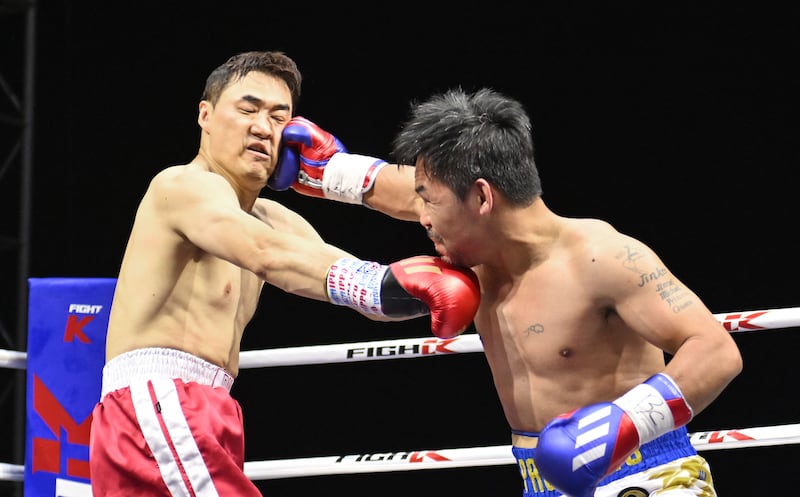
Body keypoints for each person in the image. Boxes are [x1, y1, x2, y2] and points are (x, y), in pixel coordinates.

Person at [270, 87, 744, 497]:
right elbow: (403, 190)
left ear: (481, 197)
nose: (423, 217)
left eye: (429, 201)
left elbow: (717, 351)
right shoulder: (473, 238)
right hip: (538, 482)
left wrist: (622, 424)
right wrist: (326, 171)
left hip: (646, 475)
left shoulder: (602, 256)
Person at [87, 51, 481, 497]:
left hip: (199, 409)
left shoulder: (272, 217)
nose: (263, 127)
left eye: (280, 116)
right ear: (206, 116)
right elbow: (266, 254)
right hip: (160, 404)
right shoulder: (183, 186)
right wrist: (376, 284)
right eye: (248, 108)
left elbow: (363, 288)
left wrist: (336, 175)